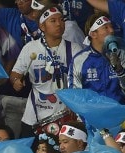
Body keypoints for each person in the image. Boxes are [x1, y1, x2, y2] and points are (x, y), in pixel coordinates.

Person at [10, 6, 78, 135]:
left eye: (61, 20)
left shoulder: (75, 49)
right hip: (34, 116)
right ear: (42, 26)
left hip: (65, 116)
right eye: (53, 21)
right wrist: (16, 81)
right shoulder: (31, 48)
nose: (59, 24)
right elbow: (15, 74)